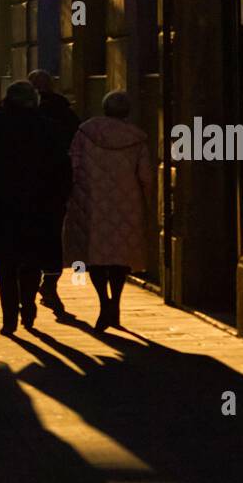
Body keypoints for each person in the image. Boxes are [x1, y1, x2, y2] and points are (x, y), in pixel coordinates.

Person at [0, 80, 71, 337]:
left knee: (6, 262)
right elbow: (61, 161)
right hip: (37, 200)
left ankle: (9, 317)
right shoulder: (44, 125)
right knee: (31, 257)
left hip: (1, 200)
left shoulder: (1, 120)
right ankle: (29, 306)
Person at [64, 90, 153, 332]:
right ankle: (116, 302)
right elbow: (145, 175)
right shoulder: (136, 138)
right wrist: (149, 203)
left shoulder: (85, 132)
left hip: (91, 200)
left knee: (95, 257)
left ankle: (104, 302)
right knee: (119, 257)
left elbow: (73, 164)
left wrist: (70, 194)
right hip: (127, 203)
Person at [28, 69, 80, 318]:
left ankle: (28, 297)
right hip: (56, 185)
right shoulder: (64, 111)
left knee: (28, 239)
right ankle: (49, 284)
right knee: (53, 237)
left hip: (27, 188)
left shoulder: (22, 116)